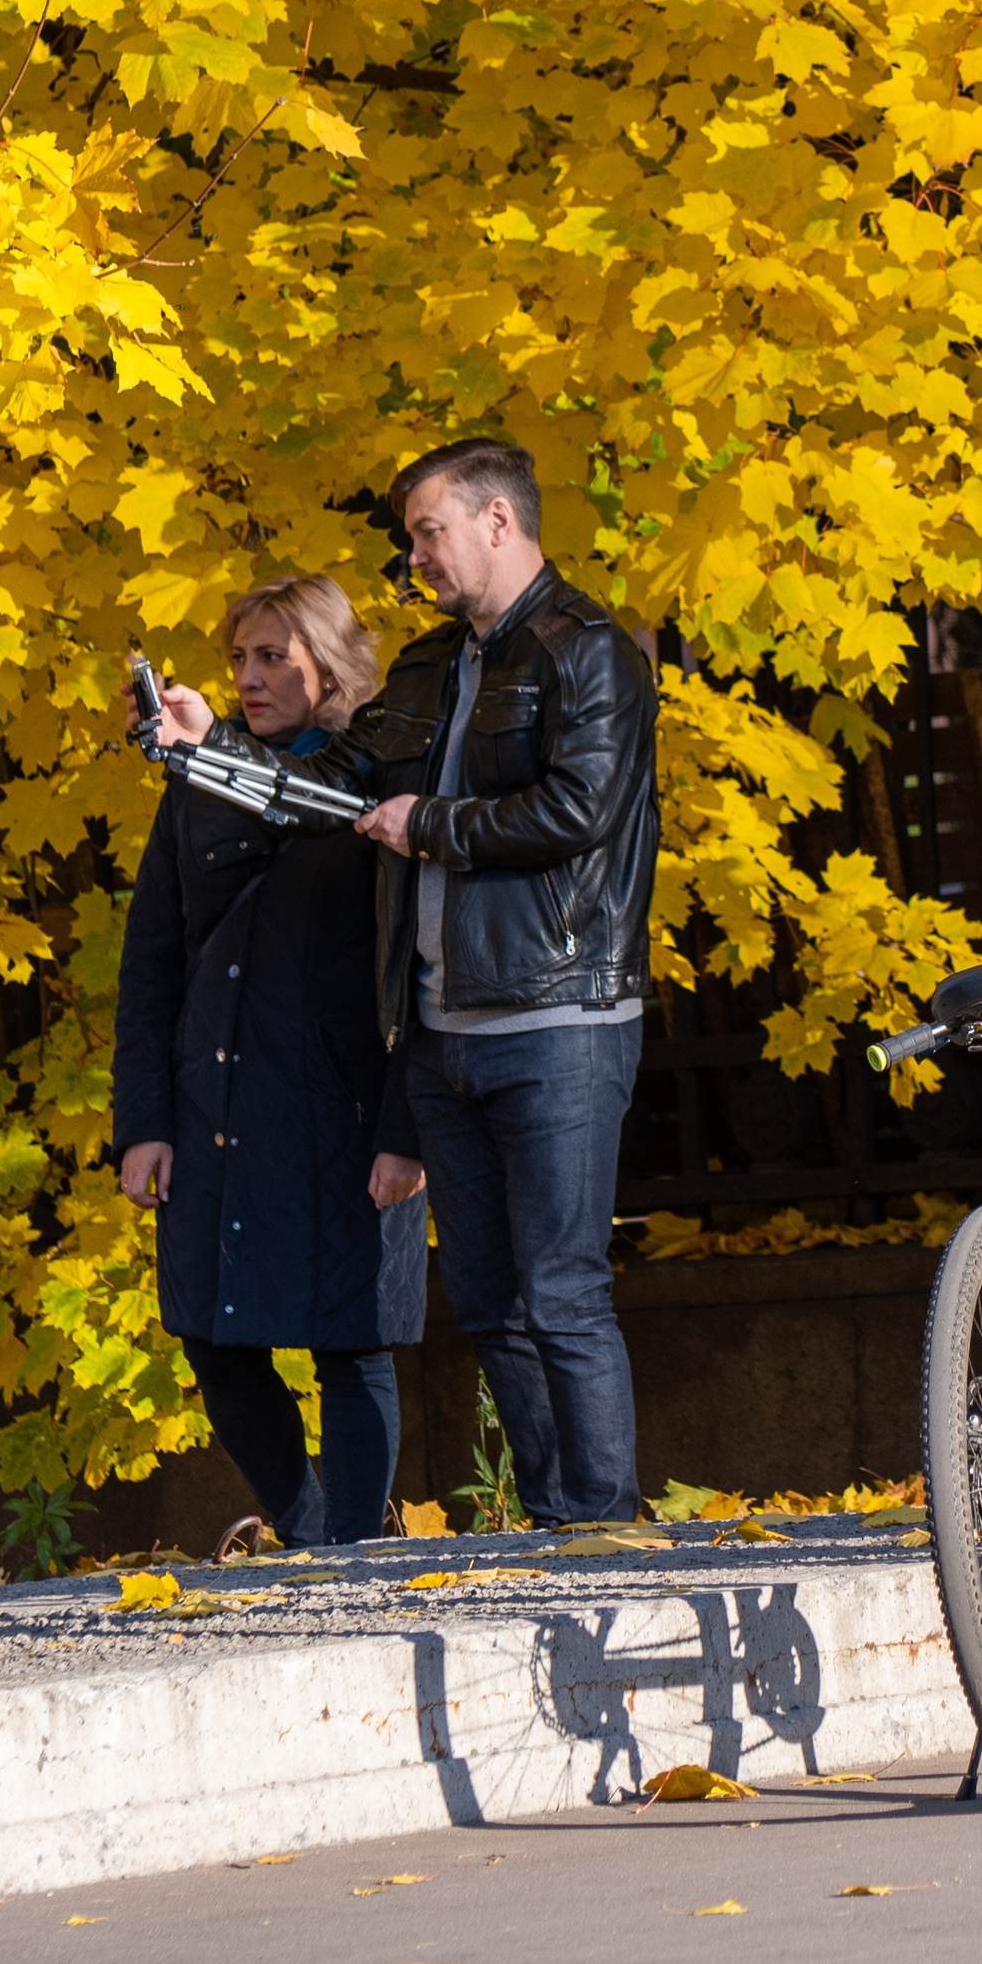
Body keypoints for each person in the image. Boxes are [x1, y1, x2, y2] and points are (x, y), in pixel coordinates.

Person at [352, 439, 658, 1531]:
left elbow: (580, 810)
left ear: (496, 521)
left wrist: (430, 825)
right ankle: (554, 1514)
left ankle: (606, 1525)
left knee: (562, 1289)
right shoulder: (433, 667)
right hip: (442, 1027)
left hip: (560, 1017)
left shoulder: (589, 654)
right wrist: (213, 749)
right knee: (485, 1298)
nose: (416, 556)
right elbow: (347, 778)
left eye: (427, 532)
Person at [112, 575, 427, 1550]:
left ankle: (354, 1553)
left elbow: (419, 959)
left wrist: (403, 1130)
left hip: (343, 1106)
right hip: (217, 1105)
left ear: (326, 665)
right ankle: (308, 1526)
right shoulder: (199, 788)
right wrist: (144, 1122)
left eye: (271, 657)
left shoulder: (376, 771)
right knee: (211, 1329)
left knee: (350, 1339)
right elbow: (152, 960)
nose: (247, 676)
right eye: (238, 656)